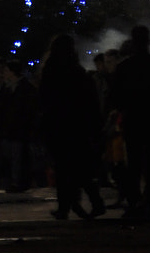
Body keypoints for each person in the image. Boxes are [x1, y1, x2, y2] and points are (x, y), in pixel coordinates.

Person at [108, 24, 150, 223]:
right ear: (148, 42)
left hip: (133, 120)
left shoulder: (124, 68)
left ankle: (134, 202)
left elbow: (115, 96)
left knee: (134, 164)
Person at [36, 34, 105, 220]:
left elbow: (44, 101)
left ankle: (67, 205)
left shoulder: (51, 72)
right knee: (79, 168)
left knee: (64, 169)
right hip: (77, 126)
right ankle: (85, 202)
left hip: (58, 126)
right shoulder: (78, 72)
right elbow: (90, 102)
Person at [0, 59, 38, 191]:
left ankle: (17, 182)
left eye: (7, 70)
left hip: (18, 129)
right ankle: (13, 181)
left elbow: (29, 110)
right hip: (9, 129)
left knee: (17, 157)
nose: (4, 73)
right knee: (10, 157)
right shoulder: (8, 88)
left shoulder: (24, 89)